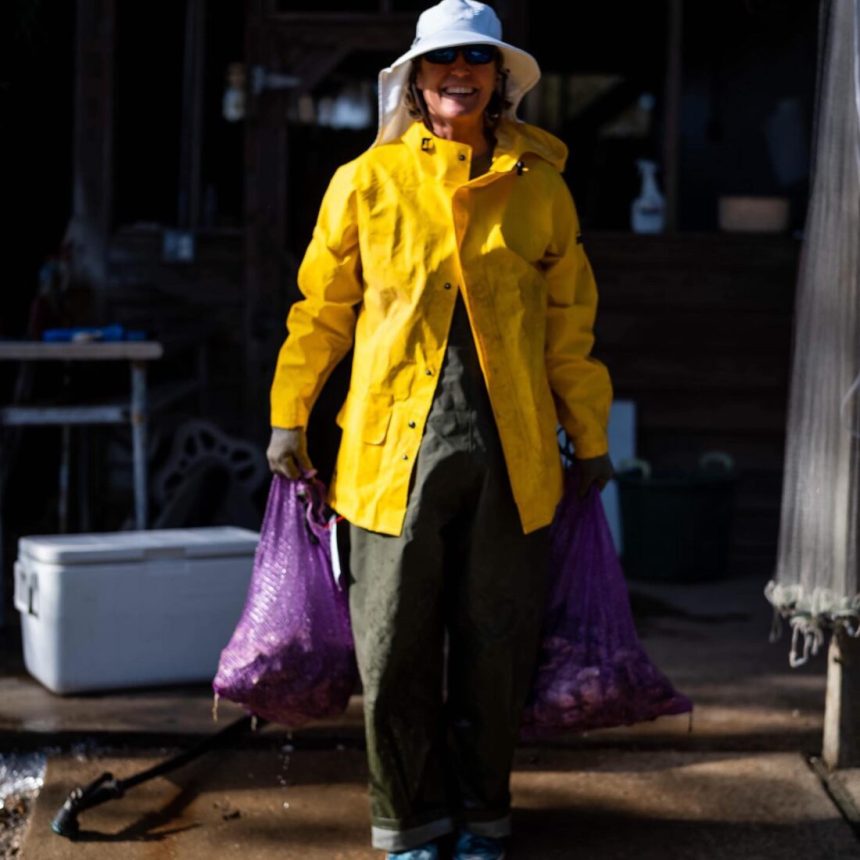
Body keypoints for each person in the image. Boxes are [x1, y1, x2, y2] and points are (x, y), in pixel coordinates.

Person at [267, 2, 613, 857]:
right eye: (440, 60)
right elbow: (321, 313)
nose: (459, 71)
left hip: (514, 455)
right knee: (394, 649)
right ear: (416, 82)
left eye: (477, 59)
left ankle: (484, 821)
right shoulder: (367, 182)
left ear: (500, 81)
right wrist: (289, 416)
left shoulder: (543, 190)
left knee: (495, 649)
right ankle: (411, 825)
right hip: (390, 454)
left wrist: (591, 434)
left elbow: (570, 328)